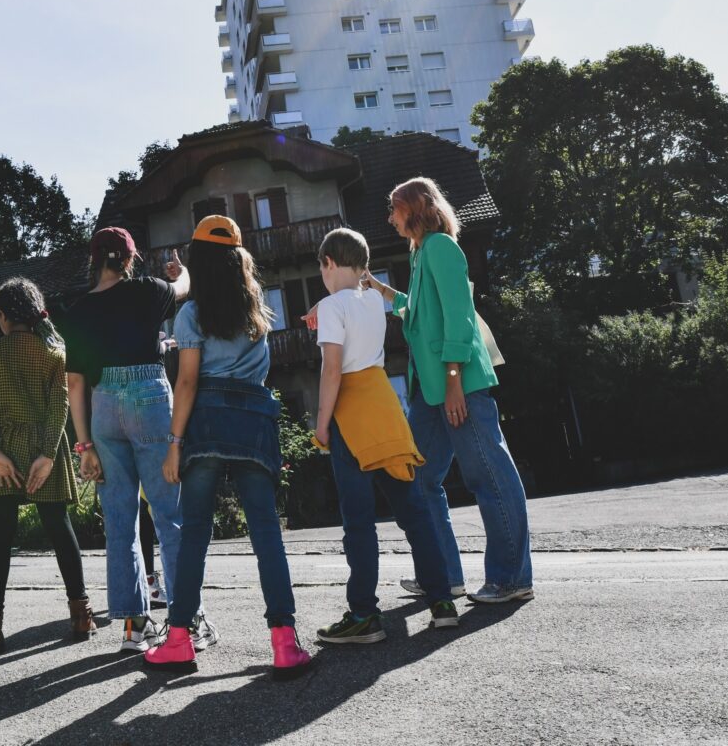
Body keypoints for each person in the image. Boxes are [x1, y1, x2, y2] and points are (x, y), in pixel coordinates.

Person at [144, 216, 311, 678]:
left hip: (208, 420)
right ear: (240, 259)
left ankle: (179, 638)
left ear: (197, 260)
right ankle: (284, 641)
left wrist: (175, 444)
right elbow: (260, 371)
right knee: (266, 532)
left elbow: (188, 379)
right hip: (254, 418)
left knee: (195, 532)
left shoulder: (191, 314)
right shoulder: (257, 306)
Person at [366, 176, 533, 604]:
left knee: (489, 477)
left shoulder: (441, 246)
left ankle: (511, 579)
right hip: (430, 390)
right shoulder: (421, 253)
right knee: (419, 481)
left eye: (395, 209)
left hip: (459, 384)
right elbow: (420, 310)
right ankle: (443, 576)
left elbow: (459, 315)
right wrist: (383, 290)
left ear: (416, 207)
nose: (390, 218)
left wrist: (456, 381)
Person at [308, 229, 460, 643]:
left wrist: (322, 424)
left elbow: (332, 370)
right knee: (413, 512)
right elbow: (355, 304)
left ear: (328, 264)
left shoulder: (329, 304)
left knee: (358, 521)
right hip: (386, 406)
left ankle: (363, 614)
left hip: (351, 414)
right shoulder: (374, 299)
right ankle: (442, 600)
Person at [64, 226, 209, 653]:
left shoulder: (77, 311)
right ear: (129, 259)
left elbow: (74, 385)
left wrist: (85, 444)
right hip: (148, 395)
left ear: (94, 261)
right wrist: (181, 272)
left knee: (120, 522)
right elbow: (185, 286)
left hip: (103, 404)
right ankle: (187, 620)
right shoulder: (149, 290)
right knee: (169, 514)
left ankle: (133, 626)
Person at [0, 277, 95, 652]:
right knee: (59, 526)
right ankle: (81, 615)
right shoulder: (55, 351)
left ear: (3, 316)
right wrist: (49, 454)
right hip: (44, 448)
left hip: (3, 450)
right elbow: (61, 405)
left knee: (0, 537)